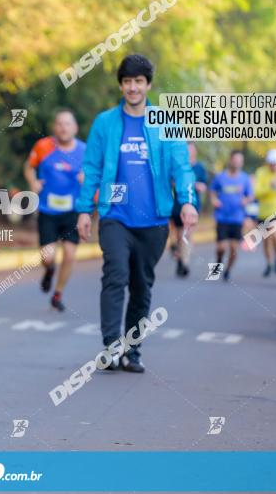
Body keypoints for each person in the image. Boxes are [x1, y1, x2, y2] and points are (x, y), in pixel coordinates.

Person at [76, 54, 198, 373]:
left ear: (148, 85)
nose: (132, 87)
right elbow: (91, 168)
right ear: (121, 85)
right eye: (127, 81)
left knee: (141, 285)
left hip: (155, 219)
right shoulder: (105, 123)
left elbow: (181, 167)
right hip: (116, 216)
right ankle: (110, 346)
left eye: (138, 82)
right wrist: (84, 209)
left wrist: (187, 201)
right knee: (115, 275)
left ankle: (133, 350)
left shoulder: (165, 122)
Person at [23, 108, 86, 311]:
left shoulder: (85, 151)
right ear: (54, 127)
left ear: (75, 128)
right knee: (47, 256)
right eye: (59, 123)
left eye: (67, 124)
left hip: (72, 212)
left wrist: (87, 180)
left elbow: (94, 175)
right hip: (48, 211)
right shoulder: (43, 146)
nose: (63, 128)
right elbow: (29, 166)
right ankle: (49, 270)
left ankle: (57, 294)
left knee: (69, 254)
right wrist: (33, 182)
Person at [209, 150, 253, 281]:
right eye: (236, 160)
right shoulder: (220, 177)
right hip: (222, 217)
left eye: (240, 161)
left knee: (234, 249)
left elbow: (250, 195)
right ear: (230, 160)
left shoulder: (245, 178)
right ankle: (218, 263)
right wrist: (214, 200)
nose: (238, 163)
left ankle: (227, 271)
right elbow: (212, 192)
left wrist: (246, 200)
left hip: (237, 218)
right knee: (221, 247)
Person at [168, 143, 207, 277]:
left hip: (193, 206)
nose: (190, 153)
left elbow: (204, 186)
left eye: (192, 150)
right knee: (179, 236)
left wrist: (196, 185)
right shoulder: (177, 166)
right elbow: (170, 182)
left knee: (188, 234)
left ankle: (184, 262)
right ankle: (178, 256)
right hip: (176, 206)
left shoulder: (200, 168)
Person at [253, 148, 276, 277]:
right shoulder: (261, 173)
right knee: (266, 240)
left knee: (275, 235)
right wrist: (270, 188)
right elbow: (257, 192)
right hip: (263, 212)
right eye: (272, 164)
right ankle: (269, 263)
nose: (274, 167)